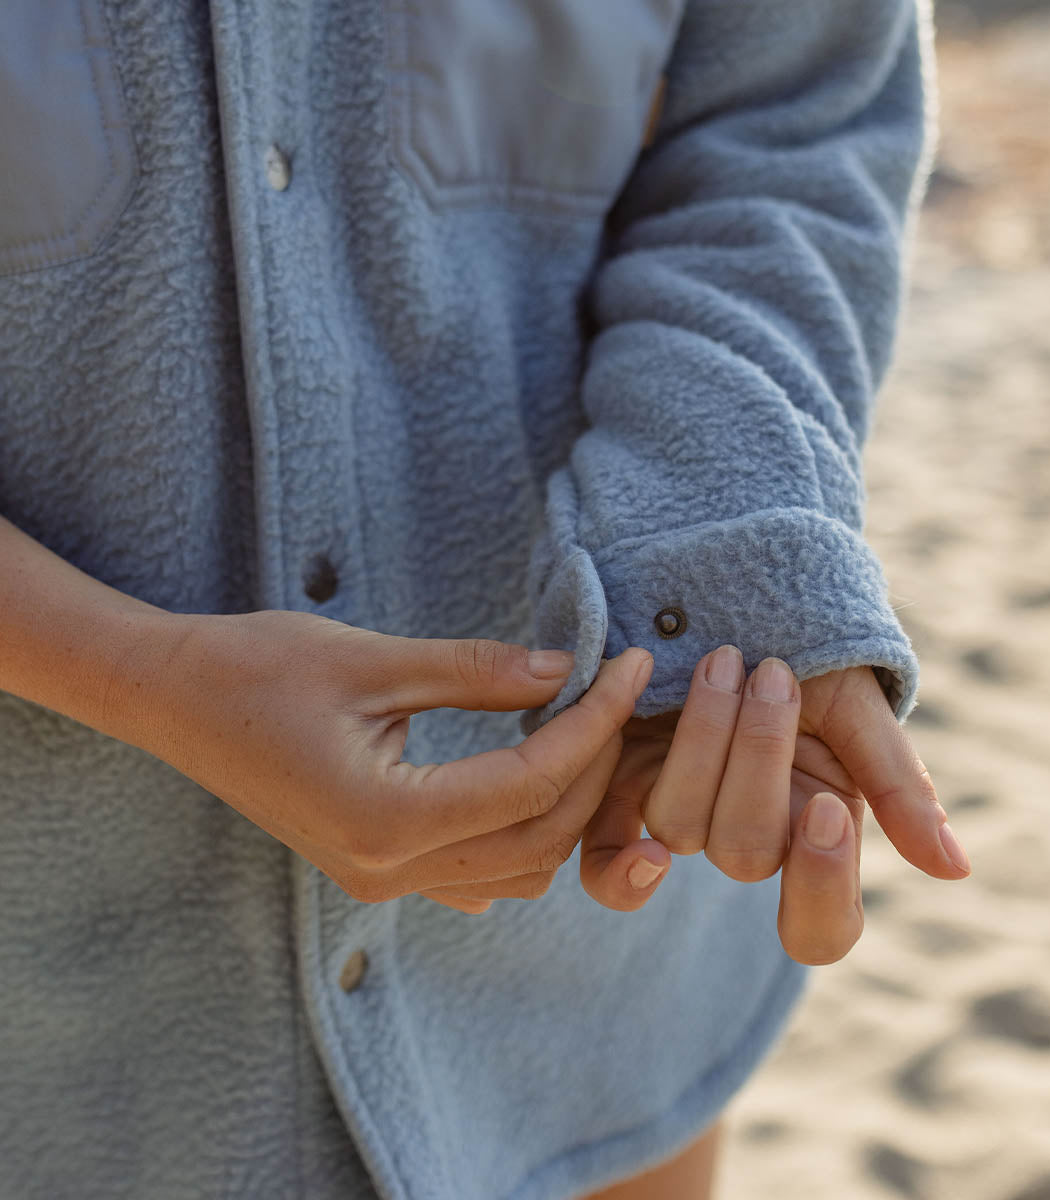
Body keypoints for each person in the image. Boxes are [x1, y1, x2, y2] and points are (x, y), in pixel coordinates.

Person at [0, 0, 968, 1197]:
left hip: (599, 932)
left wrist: (729, 548)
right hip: (48, 1026)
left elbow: (791, 111)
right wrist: (121, 669)